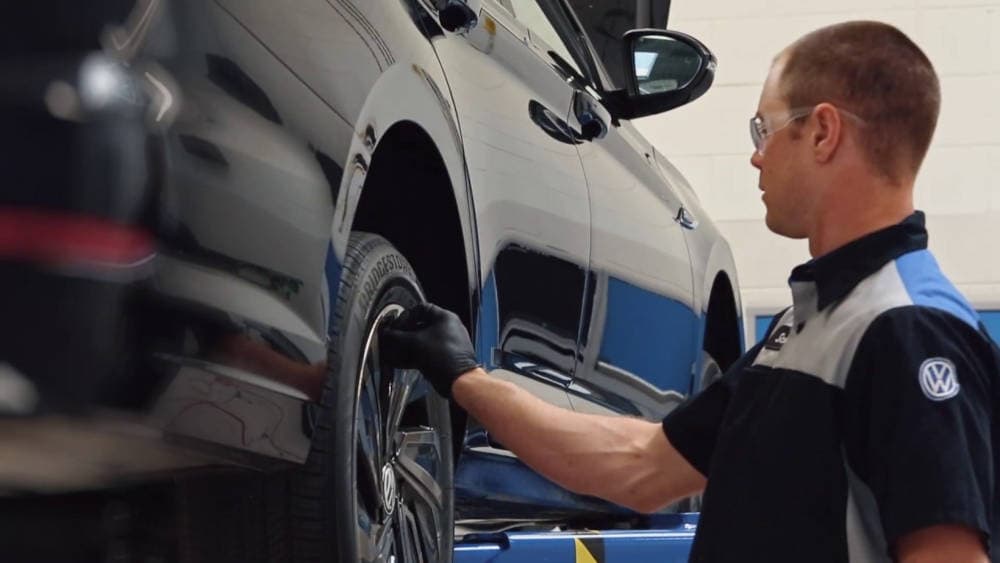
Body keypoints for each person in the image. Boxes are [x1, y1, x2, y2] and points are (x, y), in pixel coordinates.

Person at [381, 21, 998, 563]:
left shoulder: (908, 330)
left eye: (765, 128)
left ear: (823, 133)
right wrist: (466, 378)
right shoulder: (807, 331)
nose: (756, 158)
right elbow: (642, 466)